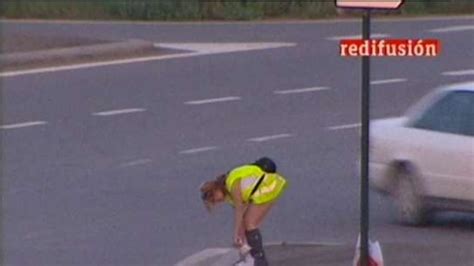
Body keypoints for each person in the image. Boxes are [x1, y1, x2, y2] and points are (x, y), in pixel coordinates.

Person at [200, 157, 288, 266]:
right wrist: (240, 237)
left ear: (216, 188)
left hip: (268, 186)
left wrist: (236, 233)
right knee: (248, 223)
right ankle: (253, 258)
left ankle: (259, 260)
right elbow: (241, 215)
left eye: (214, 198)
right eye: (214, 202)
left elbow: (239, 209)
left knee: (250, 223)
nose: (217, 201)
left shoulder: (231, 182)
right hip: (266, 187)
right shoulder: (229, 195)